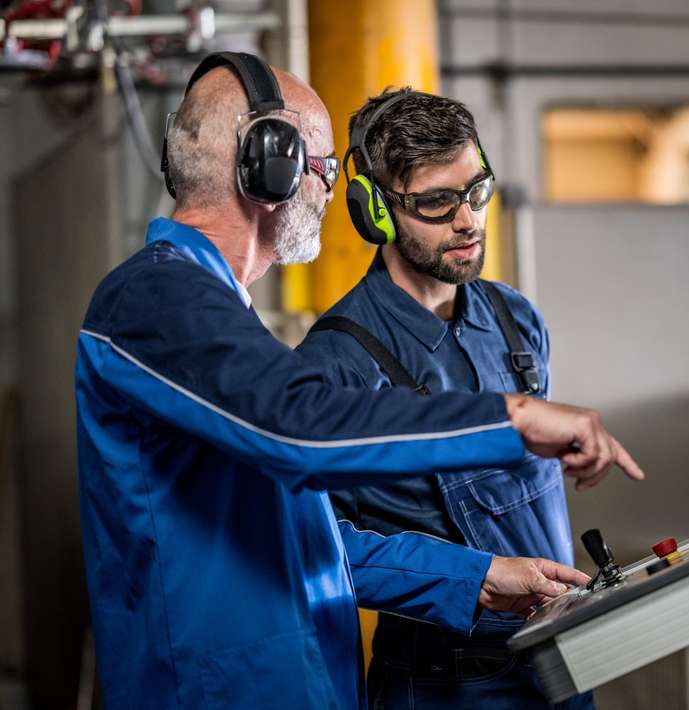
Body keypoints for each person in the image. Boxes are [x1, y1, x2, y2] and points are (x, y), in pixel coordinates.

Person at [75, 53, 642, 710]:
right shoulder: (155, 298)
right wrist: (510, 419)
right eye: (320, 168)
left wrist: (471, 575)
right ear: (270, 166)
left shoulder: (216, 314)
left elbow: (311, 536)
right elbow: (300, 427)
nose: (325, 193)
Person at [297, 88, 612, 709]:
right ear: (377, 213)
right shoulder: (334, 364)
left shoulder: (516, 320)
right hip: (443, 686)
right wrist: (475, 579)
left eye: (476, 191)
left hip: (563, 665)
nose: (467, 219)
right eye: (438, 202)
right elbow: (319, 550)